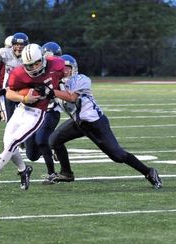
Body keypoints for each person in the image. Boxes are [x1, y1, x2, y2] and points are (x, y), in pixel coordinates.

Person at [49, 54, 163, 189]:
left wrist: (50, 91)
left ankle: (149, 172)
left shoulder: (81, 79)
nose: (65, 71)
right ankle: (66, 173)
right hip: (79, 123)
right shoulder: (55, 85)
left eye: (67, 68)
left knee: (118, 156)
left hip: (95, 123)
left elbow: (72, 97)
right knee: (54, 140)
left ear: (74, 69)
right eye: (62, 69)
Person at [0, 43, 65, 190]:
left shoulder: (56, 64)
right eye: (29, 65)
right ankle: (24, 170)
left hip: (37, 114)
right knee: (8, 144)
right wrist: (23, 99)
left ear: (42, 59)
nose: (33, 68)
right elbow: (10, 93)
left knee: (13, 143)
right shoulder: (19, 72)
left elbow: (68, 73)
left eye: (36, 63)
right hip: (22, 109)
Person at [24, 41, 63, 184]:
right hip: (34, 112)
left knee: (41, 139)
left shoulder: (60, 71)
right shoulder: (32, 69)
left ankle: (52, 174)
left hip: (51, 111)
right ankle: (51, 145)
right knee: (32, 155)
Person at [0, 32, 29, 124]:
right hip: (7, 91)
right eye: (17, 44)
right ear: (12, 45)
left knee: (24, 119)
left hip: (23, 91)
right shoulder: (5, 53)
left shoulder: (29, 56)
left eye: (22, 45)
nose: (19, 47)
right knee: (10, 120)